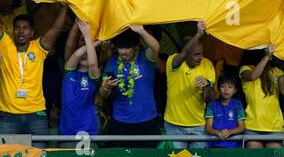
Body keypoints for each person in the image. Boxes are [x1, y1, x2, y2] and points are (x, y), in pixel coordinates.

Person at [0, 0, 68, 135]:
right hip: (8, 116)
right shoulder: (5, 45)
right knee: (7, 156)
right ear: (13, 31)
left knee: (39, 156)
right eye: (17, 28)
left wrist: (64, 8)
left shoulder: (38, 47)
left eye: (25, 28)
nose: (21, 31)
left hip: (36, 115)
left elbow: (56, 28)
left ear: (32, 33)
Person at [101, 25, 161, 143]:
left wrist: (141, 31)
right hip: (120, 120)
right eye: (120, 47)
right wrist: (106, 87)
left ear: (135, 47)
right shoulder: (112, 63)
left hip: (147, 119)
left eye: (127, 47)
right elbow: (102, 95)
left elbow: (155, 47)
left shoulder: (145, 57)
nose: (123, 51)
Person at [163, 20, 216, 148]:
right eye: (197, 54)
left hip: (198, 126)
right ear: (187, 54)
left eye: (202, 53)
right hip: (174, 125)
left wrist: (207, 86)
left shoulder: (207, 64)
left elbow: (211, 99)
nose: (201, 57)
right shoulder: (173, 61)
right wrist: (198, 34)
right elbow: (184, 53)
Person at [59, 19, 103, 138]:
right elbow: (75, 54)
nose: (85, 53)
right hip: (67, 130)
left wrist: (89, 39)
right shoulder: (69, 71)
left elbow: (93, 64)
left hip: (89, 130)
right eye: (83, 46)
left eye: (89, 52)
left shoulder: (94, 76)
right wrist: (93, 42)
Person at [239, 46, 283, 148]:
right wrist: (266, 57)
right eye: (267, 50)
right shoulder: (245, 69)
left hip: (274, 126)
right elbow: (253, 76)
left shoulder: (276, 71)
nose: (271, 53)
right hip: (253, 126)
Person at [204, 72, 247, 147]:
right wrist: (218, 132)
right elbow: (208, 127)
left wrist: (230, 132)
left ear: (235, 90)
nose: (226, 89)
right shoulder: (211, 105)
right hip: (214, 145)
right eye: (223, 86)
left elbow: (242, 127)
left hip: (234, 146)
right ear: (218, 89)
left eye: (230, 87)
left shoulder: (238, 104)